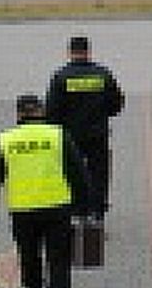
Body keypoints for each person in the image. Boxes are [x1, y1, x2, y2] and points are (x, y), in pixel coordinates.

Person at [0, 94, 91, 288]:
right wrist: (85, 205)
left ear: (19, 114)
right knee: (59, 260)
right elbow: (78, 171)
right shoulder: (57, 134)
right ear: (41, 111)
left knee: (29, 254)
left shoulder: (6, 139)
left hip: (23, 211)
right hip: (57, 208)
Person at [45, 35, 124, 225]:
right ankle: (97, 212)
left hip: (70, 136)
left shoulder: (60, 77)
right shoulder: (103, 74)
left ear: (70, 52)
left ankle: (77, 210)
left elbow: (52, 110)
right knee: (99, 173)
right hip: (97, 134)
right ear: (88, 51)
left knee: (72, 172)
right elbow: (116, 104)